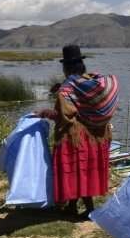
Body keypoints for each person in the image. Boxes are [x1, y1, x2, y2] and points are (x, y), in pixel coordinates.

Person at [37, 45, 119, 219]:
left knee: (77, 171)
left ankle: (87, 208)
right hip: (95, 136)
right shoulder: (92, 81)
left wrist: (45, 113)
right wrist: (60, 90)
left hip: (75, 137)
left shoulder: (67, 87)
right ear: (82, 65)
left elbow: (64, 117)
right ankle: (75, 207)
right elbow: (81, 99)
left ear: (65, 67)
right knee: (84, 170)